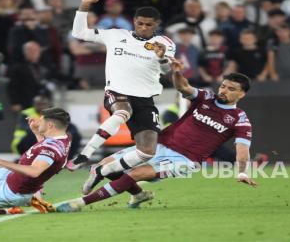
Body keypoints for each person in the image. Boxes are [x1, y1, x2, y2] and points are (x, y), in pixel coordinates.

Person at [55, 66, 256, 212]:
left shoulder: (240, 119)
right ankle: (139, 194)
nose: (223, 91)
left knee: (136, 173)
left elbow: (242, 150)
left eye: (231, 89)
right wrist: (177, 72)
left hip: (185, 160)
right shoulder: (206, 97)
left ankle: (80, 203)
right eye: (223, 86)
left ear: (242, 94)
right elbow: (184, 88)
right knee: (105, 165)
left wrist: (242, 172)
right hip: (159, 145)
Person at [67, 0, 176, 195]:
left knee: (147, 152)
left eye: (149, 24)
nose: (144, 27)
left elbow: (167, 71)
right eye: (140, 23)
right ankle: (85, 154)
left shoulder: (165, 44)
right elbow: (79, 34)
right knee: (122, 112)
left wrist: (162, 57)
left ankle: (101, 170)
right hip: (117, 91)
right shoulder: (116, 35)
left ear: (157, 25)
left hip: (145, 99)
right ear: (134, 21)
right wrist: (84, 5)